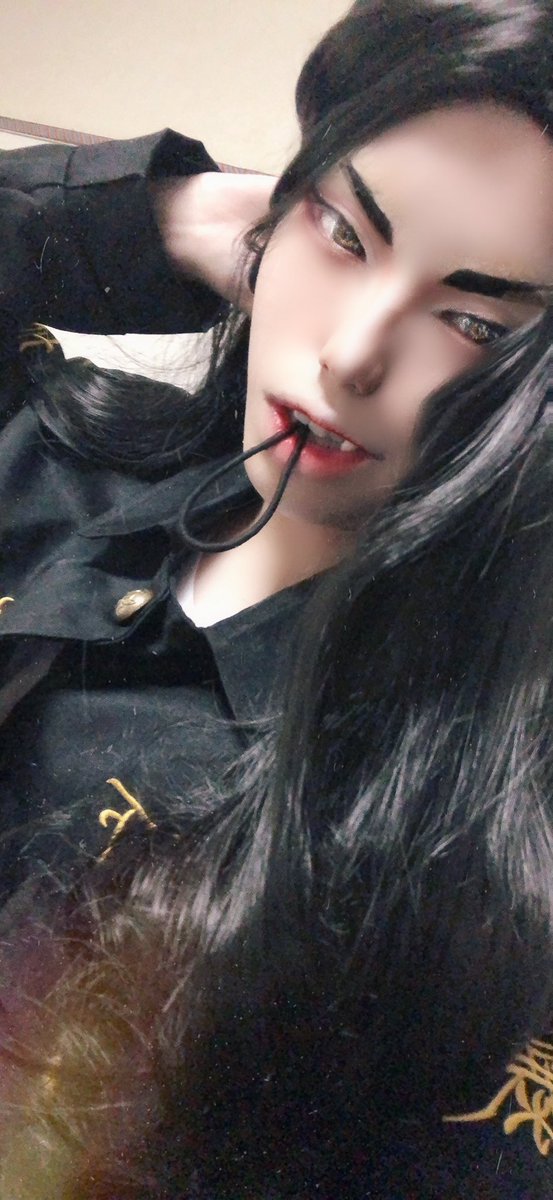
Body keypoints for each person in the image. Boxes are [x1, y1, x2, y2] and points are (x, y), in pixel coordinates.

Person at [0, 0, 551, 1194]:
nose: (352, 354)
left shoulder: (478, 842)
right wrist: (174, 214)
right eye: (345, 233)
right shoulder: (55, 461)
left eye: (471, 320)